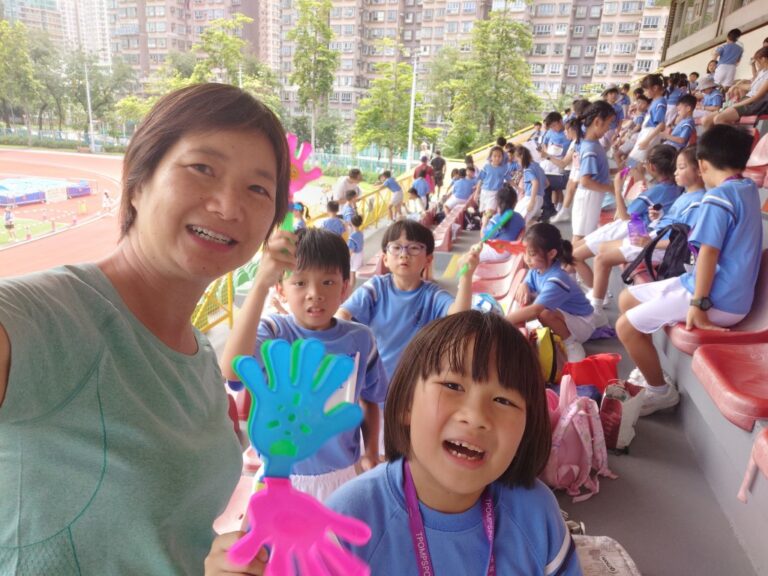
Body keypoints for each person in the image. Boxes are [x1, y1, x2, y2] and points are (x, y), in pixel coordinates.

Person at [0, 83, 291, 575]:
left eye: (258, 189)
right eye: (203, 168)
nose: (228, 206)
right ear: (138, 182)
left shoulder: (199, 359)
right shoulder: (43, 318)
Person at [326, 311, 582, 575]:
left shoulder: (536, 514)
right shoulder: (345, 524)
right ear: (406, 404)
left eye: (503, 401)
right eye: (452, 386)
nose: (476, 417)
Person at [220, 227, 386, 502]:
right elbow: (231, 371)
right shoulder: (273, 332)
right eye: (299, 283)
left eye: (328, 282)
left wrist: (370, 452)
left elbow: (370, 399)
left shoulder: (361, 339)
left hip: (342, 475)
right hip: (280, 477)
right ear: (280, 289)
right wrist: (260, 284)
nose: (314, 293)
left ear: (345, 287)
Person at [616, 125, 762, 417]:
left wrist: (699, 304)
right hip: (709, 286)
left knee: (625, 327)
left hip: (717, 298)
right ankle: (650, 371)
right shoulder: (747, 189)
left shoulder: (718, 198)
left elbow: (708, 253)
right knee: (627, 298)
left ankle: (661, 393)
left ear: (703, 165)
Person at [337, 220, 479, 384]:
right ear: (385, 259)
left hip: (413, 384)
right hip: (374, 381)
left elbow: (460, 316)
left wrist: (466, 276)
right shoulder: (375, 288)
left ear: (428, 260)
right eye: (396, 247)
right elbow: (343, 313)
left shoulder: (432, 295)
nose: (404, 254)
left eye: (414, 248)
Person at [578, 147, 703, 329]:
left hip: (659, 246)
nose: (676, 172)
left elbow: (683, 241)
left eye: (681, 167)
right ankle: (598, 296)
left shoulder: (698, 201)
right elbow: (675, 224)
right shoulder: (685, 194)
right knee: (604, 248)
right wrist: (659, 217)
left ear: (700, 170)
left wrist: (650, 243)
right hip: (653, 237)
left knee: (601, 259)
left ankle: (597, 311)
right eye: (676, 167)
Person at [508, 223, 595, 362]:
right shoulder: (537, 269)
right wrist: (523, 284)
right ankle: (560, 334)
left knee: (543, 312)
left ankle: (571, 344)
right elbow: (528, 281)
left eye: (532, 254)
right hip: (567, 316)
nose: (526, 259)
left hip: (583, 323)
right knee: (535, 305)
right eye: (525, 252)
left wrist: (503, 320)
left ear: (551, 254)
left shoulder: (557, 279)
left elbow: (535, 310)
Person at [571, 100, 617, 242]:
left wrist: (618, 170)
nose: (608, 129)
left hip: (592, 196)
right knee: (580, 238)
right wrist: (611, 189)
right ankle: (569, 257)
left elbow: (597, 171)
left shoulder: (593, 143)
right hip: (588, 197)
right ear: (597, 122)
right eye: (608, 124)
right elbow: (585, 181)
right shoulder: (590, 149)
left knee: (585, 236)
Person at [704, 47, 768, 128]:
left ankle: (735, 135)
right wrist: (736, 85)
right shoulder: (762, 72)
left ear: (763, 59)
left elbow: (756, 97)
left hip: (753, 104)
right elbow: (751, 87)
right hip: (746, 100)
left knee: (719, 119)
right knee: (707, 120)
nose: (756, 63)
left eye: (757, 61)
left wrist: (736, 105)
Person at [478, 183, 525, 263]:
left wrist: (484, 222)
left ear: (497, 202)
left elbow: (484, 238)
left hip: (498, 252)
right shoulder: (520, 217)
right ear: (515, 203)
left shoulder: (496, 219)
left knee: (468, 257)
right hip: (509, 251)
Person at [627, 74, 667, 167]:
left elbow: (661, 125)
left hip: (650, 134)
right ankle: (630, 175)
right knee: (639, 164)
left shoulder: (660, 102)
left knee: (632, 162)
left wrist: (647, 140)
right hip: (646, 133)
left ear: (655, 88)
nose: (644, 93)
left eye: (645, 90)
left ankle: (627, 174)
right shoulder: (655, 101)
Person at [538, 112, 571, 219]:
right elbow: (544, 142)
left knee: (557, 188)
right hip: (549, 160)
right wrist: (546, 151)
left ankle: (559, 207)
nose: (553, 128)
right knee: (551, 187)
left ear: (561, 121)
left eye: (554, 125)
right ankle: (553, 208)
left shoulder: (568, 132)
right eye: (551, 127)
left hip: (561, 161)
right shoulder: (550, 132)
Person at [473, 145, 511, 216]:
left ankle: (485, 222)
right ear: (490, 157)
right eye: (494, 156)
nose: (497, 158)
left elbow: (509, 179)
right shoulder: (486, 166)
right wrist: (477, 193)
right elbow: (480, 180)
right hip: (484, 192)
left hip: (495, 193)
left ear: (502, 157)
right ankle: (485, 222)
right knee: (485, 214)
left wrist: (518, 188)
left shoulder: (504, 168)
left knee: (489, 213)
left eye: (499, 156)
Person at [514, 146, 547, 224]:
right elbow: (546, 183)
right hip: (540, 198)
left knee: (518, 220)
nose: (518, 163)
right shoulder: (538, 167)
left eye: (518, 161)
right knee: (527, 221)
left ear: (521, 158)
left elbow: (535, 183)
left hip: (530, 198)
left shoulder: (528, 170)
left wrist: (532, 201)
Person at [348, 214, 365, 286]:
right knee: (354, 273)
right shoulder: (361, 233)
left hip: (354, 257)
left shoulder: (352, 237)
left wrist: (346, 258)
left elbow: (351, 250)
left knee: (352, 273)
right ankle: (352, 286)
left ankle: (351, 288)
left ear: (352, 223)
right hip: (360, 254)